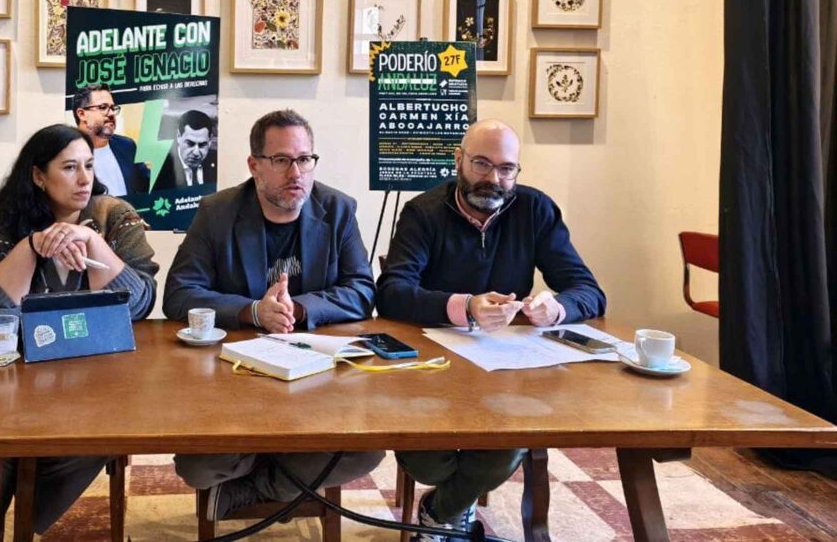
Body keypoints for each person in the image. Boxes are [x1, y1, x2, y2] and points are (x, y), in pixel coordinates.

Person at [0, 124, 159, 541]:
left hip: (93, 381)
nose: (84, 178)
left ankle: (15, 511)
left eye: (88, 165)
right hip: (11, 379)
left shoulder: (115, 216)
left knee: (93, 440)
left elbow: (139, 305)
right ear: (38, 175)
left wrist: (90, 240)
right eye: (69, 167)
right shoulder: (1, 222)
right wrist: (33, 247)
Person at [376, 119, 606, 540]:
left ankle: (439, 511)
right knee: (428, 461)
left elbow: (589, 291)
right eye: (481, 164)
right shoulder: (423, 212)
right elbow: (391, 292)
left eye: (506, 168)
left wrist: (555, 308)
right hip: (430, 368)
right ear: (458, 160)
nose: (493, 178)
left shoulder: (535, 210)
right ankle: (454, 505)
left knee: (506, 447)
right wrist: (465, 306)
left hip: (505, 372)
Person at [163, 109, 382, 520]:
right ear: (254, 165)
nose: (296, 172)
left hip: (318, 380)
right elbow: (178, 294)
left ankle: (254, 487)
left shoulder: (337, 209)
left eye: (304, 159)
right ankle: (283, 468)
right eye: (281, 160)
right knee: (196, 466)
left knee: (366, 451)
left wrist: (299, 307)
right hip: (236, 380)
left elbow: (362, 290)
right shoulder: (217, 212)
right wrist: (253, 312)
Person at [72, 83, 149, 196]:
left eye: (112, 108)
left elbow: (149, 183)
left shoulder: (126, 146)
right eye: (103, 107)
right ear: (82, 114)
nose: (112, 113)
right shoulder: (69, 153)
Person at [152, 109, 218, 190]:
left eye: (202, 145)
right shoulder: (160, 168)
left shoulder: (218, 160)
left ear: (210, 140)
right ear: (178, 136)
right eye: (190, 144)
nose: (196, 152)